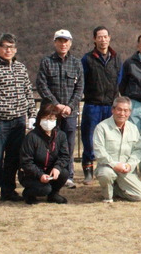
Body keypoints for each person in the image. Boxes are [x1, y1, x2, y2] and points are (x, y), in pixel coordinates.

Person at [0, 33, 38, 207]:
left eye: (11, 47)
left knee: (13, 158)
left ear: (16, 49)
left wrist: (32, 114)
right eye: (5, 47)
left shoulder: (20, 67)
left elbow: (28, 92)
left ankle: (8, 191)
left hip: (18, 120)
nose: (8, 50)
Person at [36, 29, 84, 189]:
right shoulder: (46, 62)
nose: (63, 44)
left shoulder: (77, 63)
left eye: (66, 41)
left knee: (68, 145)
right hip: (50, 112)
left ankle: (68, 176)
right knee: (48, 143)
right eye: (60, 41)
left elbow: (80, 88)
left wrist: (69, 106)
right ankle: (46, 173)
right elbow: (42, 86)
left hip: (70, 113)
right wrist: (57, 105)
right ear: (55, 42)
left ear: (70, 43)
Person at [80, 26, 122, 185]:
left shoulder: (116, 58)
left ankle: (109, 169)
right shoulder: (87, 59)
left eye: (105, 36)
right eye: (99, 37)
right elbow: (82, 80)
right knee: (89, 138)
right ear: (94, 39)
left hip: (110, 105)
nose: (103, 39)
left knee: (112, 139)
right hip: (93, 104)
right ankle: (88, 170)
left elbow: (120, 79)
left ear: (109, 38)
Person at [93, 97, 141, 202]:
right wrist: (114, 164)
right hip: (107, 167)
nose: (122, 113)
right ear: (113, 110)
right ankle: (107, 196)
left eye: (125, 110)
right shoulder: (102, 127)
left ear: (130, 112)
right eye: (119, 109)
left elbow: (138, 150)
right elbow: (99, 152)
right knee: (106, 174)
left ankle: (116, 189)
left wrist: (129, 165)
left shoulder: (133, 128)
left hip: (126, 169)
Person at [18, 104, 70, 204]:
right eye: (45, 118)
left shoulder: (61, 135)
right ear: (39, 119)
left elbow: (64, 156)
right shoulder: (32, 137)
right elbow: (26, 161)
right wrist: (40, 174)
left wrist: (57, 167)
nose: (48, 122)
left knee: (64, 173)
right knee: (44, 189)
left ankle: (53, 194)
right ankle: (29, 194)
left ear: (56, 119)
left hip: (50, 170)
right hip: (31, 174)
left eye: (51, 119)